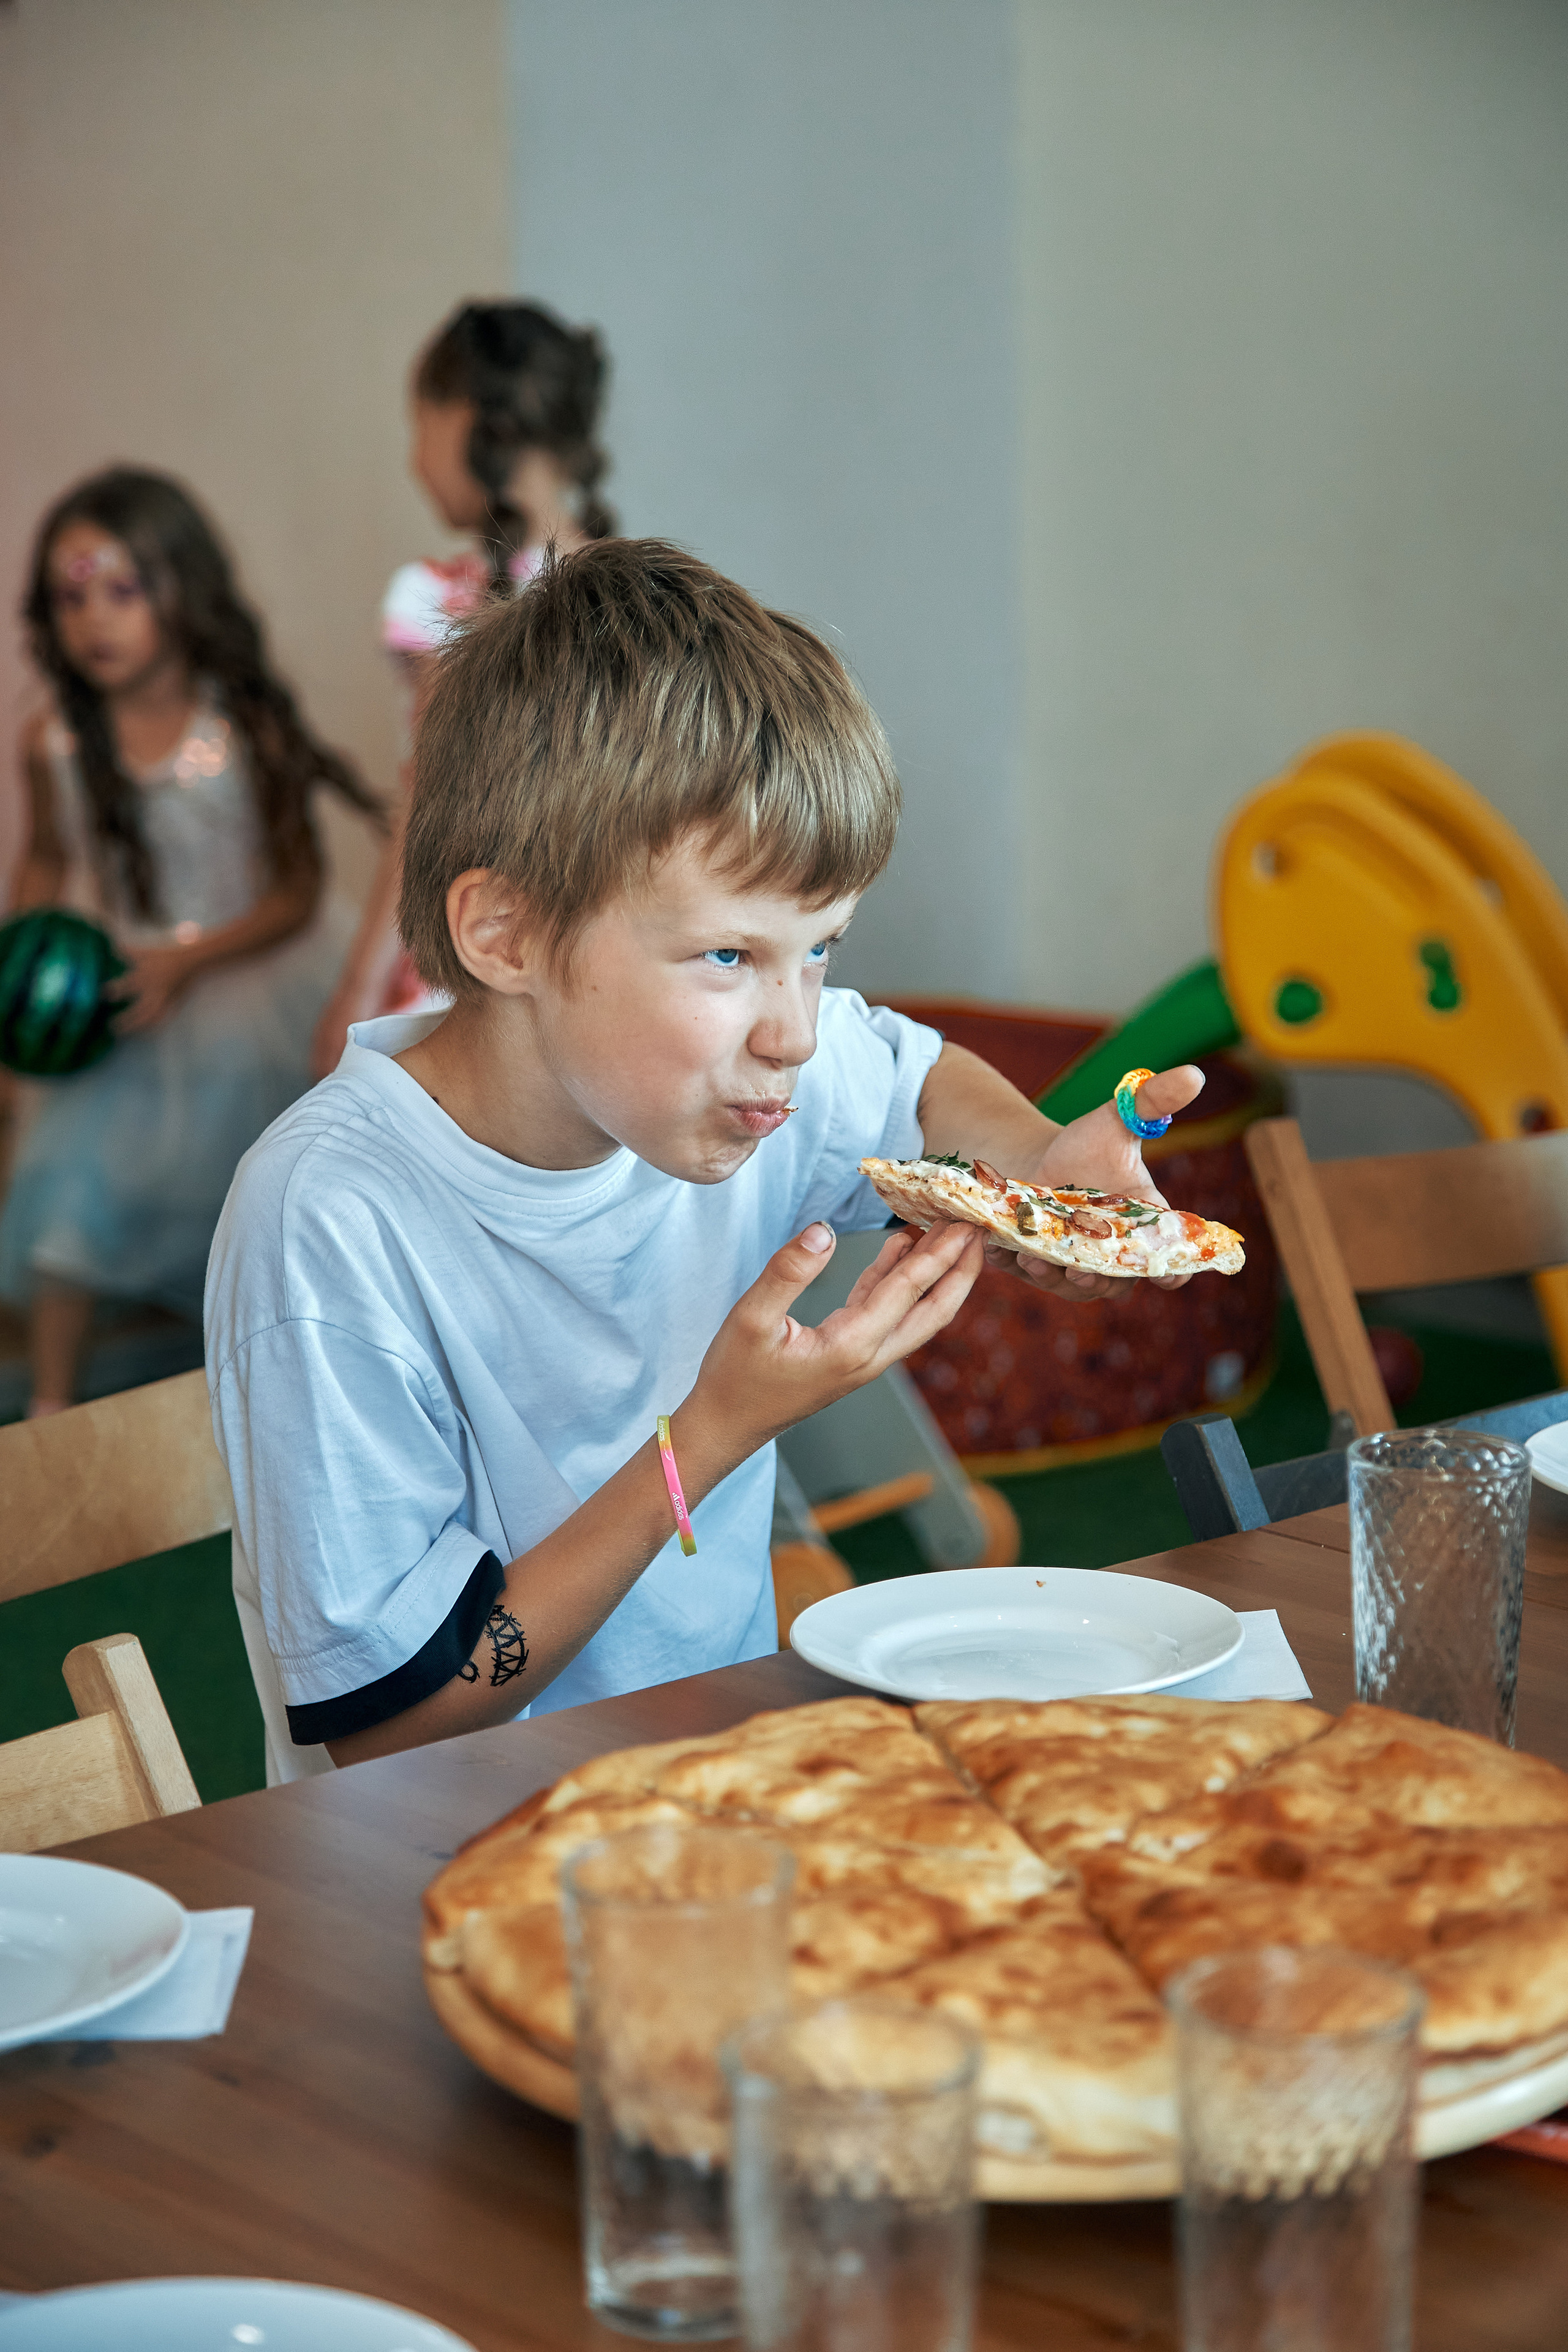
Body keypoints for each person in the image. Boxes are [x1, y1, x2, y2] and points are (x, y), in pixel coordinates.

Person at [206, 540, 1202, 1787]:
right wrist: (708, 1439)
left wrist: (1040, 1166)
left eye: (820, 949)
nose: (791, 1030)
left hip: (722, 1810)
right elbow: (389, 1722)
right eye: (727, 958)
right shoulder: (330, 1219)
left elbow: (904, 1072)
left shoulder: (727, 1082)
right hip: (437, 1868)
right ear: (504, 933)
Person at [1, 467, 381, 1412]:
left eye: (123, 590)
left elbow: (297, 892)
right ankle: (51, 1415)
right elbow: (47, 860)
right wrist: (25, 955)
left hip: (254, 994)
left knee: (269, 1204)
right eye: (72, 596)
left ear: (185, 587)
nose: (96, 619)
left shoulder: (243, 725)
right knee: (73, 1199)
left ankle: (288, 1401)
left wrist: (191, 960)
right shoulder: (52, 738)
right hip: (125, 1003)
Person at [310, 298, 612, 1074]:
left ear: (470, 421)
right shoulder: (638, 596)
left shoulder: (442, 601)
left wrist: (354, 992)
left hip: (461, 957)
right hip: (597, 960)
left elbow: (425, 810)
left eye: (421, 428)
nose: (414, 461)